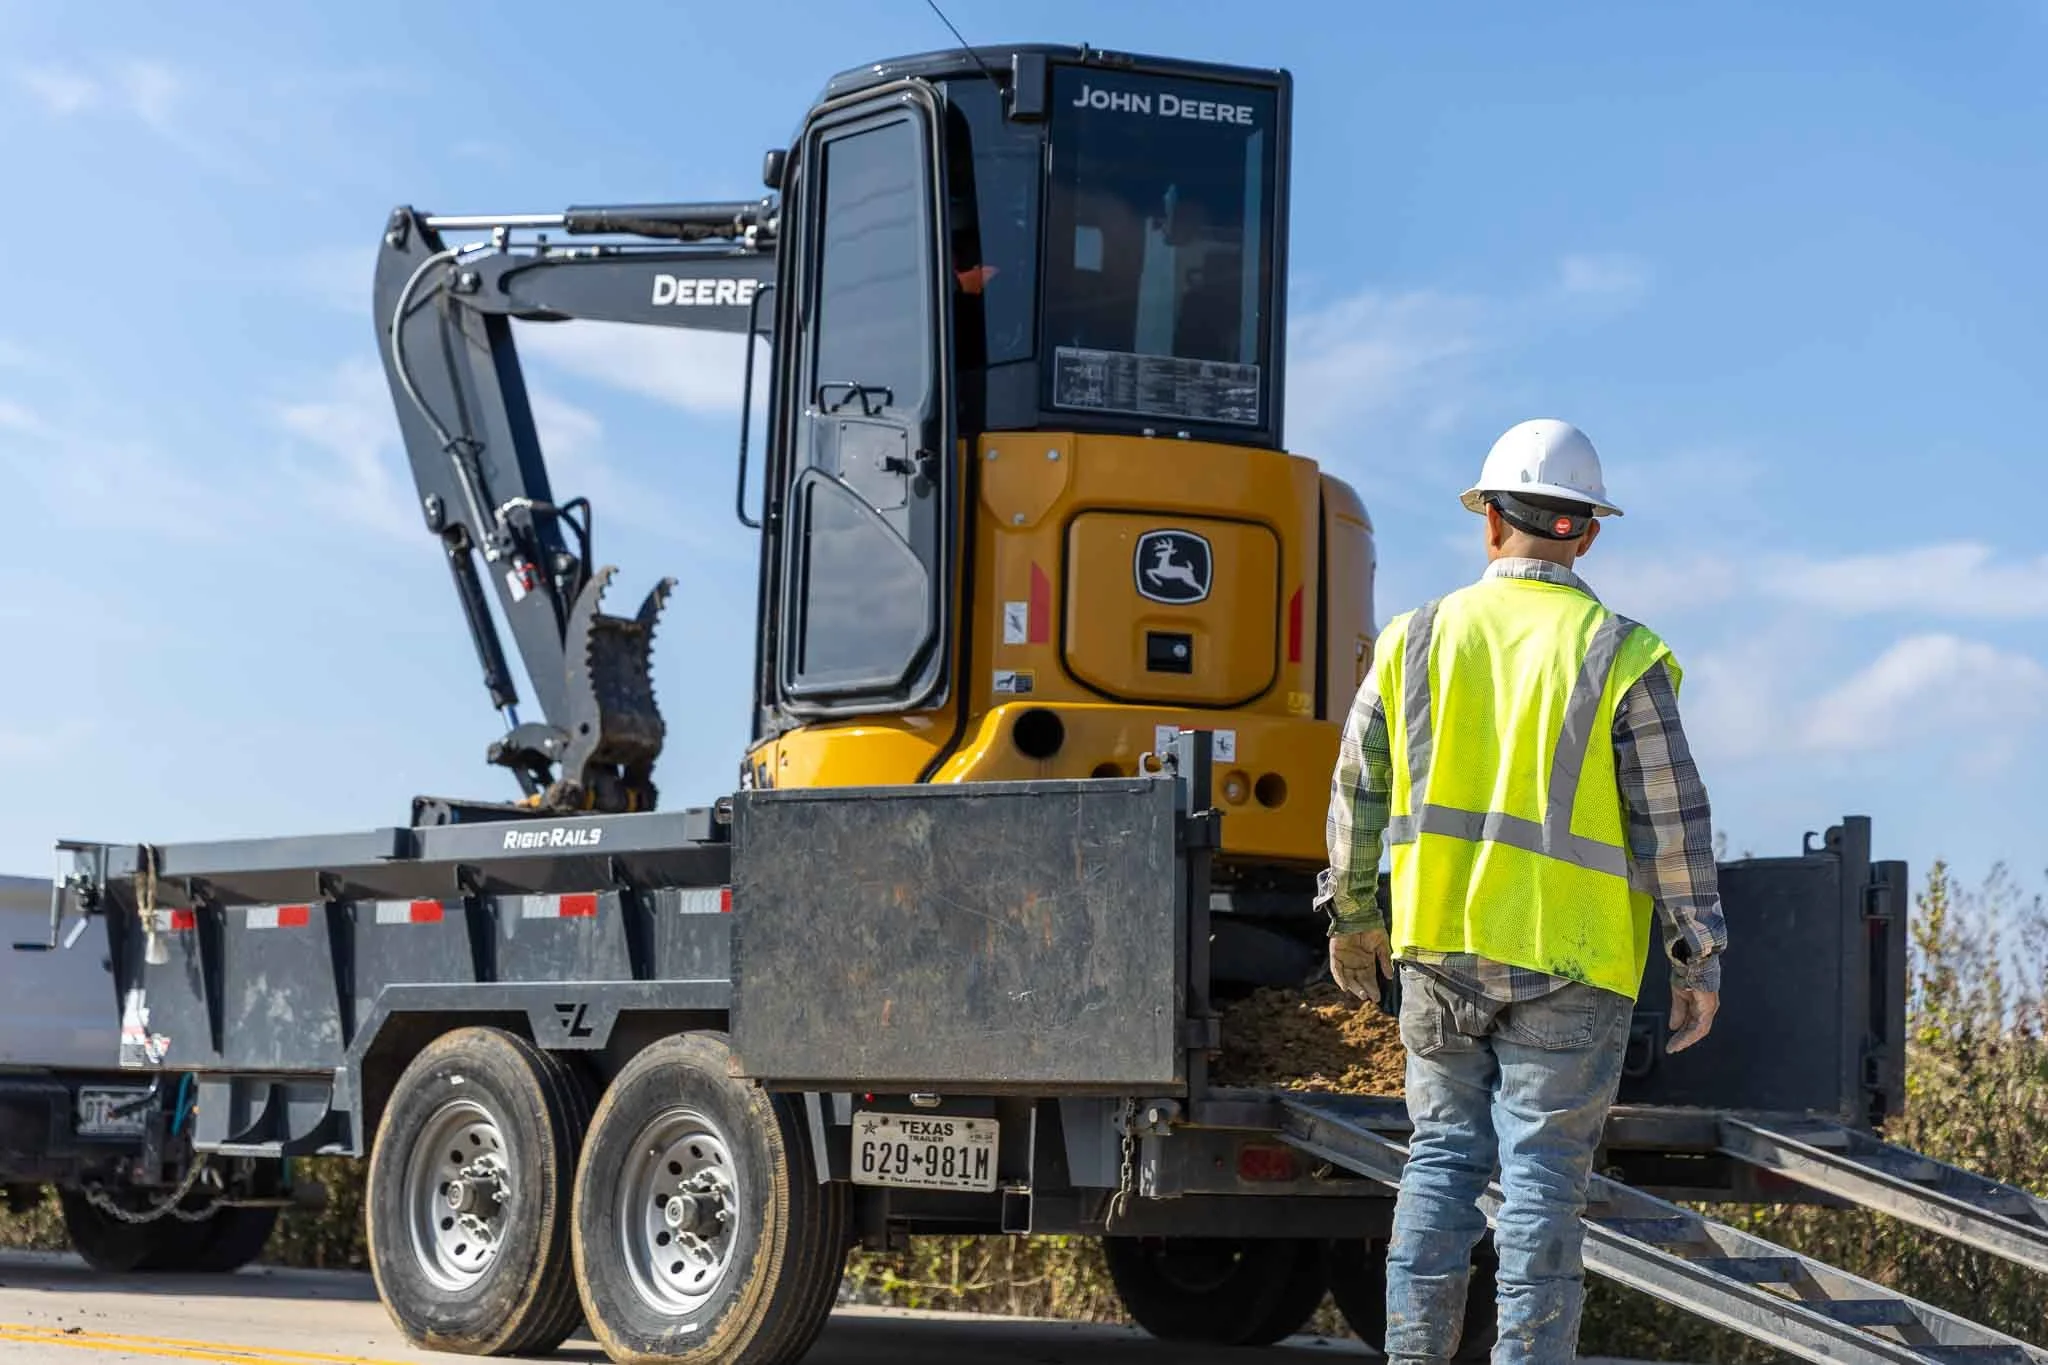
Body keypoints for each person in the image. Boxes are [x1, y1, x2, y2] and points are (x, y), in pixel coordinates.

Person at [1322, 418, 1728, 1364]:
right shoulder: (1620, 653)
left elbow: (1357, 790)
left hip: (1438, 949)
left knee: (1439, 1161)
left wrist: (1353, 918)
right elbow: (1674, 819)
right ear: (1587, 532)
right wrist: (1697, 957)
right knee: (1543, 1180)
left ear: (1489, 520)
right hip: (1575, 962)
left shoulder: (1415, 638)